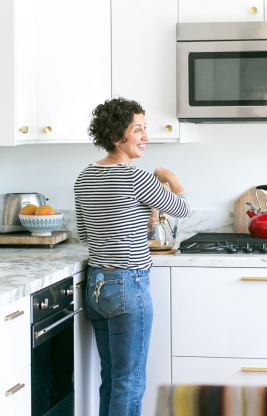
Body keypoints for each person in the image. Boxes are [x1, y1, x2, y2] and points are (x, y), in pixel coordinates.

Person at [74, 97, 190, 416]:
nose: (145, 137)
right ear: (116, 137)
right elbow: (182, 208)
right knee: (130, 381)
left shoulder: (84, 177)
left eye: (144, 129)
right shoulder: (136, 177)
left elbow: (86, 233)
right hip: (129, 284)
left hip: (96, 285)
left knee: (112, 379)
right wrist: (170, 177)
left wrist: (139, 218)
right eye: (137, 130)